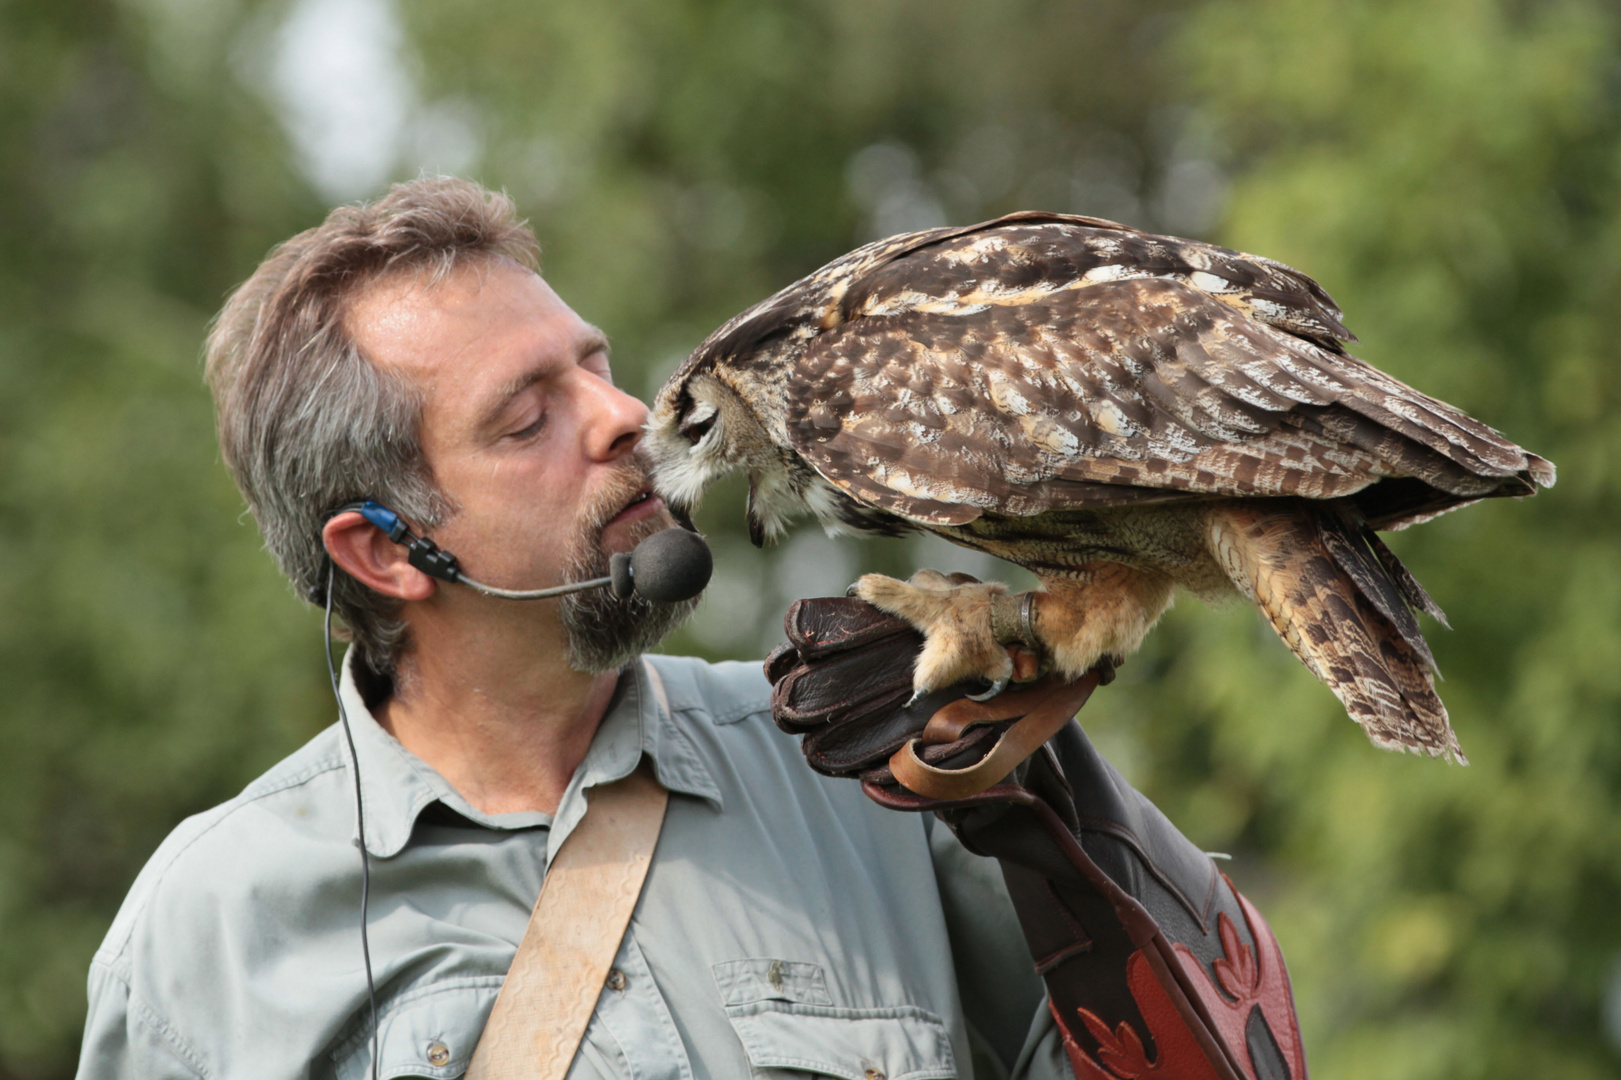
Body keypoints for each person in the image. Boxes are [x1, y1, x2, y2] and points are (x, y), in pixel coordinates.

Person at [76, 178, 1301, 1080]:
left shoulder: (874, 773)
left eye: (596, 366)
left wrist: (1063, 816)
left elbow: (1238, 1055)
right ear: (387, 551)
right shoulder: (211, 928)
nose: (621, 416)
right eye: (526, 418)